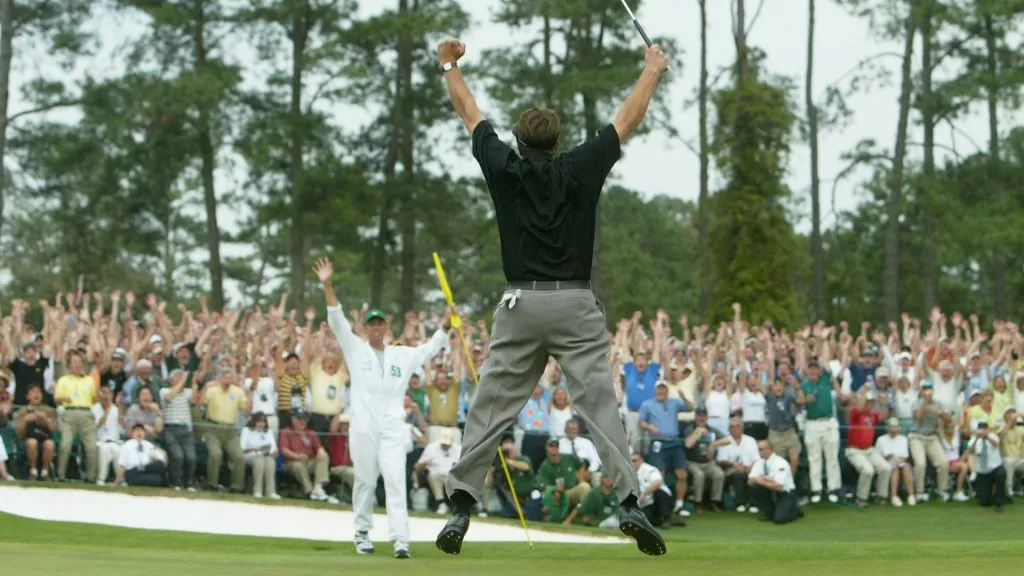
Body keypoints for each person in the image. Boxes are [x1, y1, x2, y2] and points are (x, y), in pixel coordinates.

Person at [432, 35, 671, 558]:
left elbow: (467, 108)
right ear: (558, 141)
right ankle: (630, 500)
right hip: (574, 305)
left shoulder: (503, 165)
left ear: (517, 140)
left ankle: (462, 505)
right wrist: (652, 68)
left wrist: (449, 61)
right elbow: (625, 120)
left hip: (520, 304)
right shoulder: (580, 167)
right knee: (600, 406)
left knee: (492, 406)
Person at [315, 257, 451, 559]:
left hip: (392, 425)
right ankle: (362, 534)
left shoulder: (401, 355)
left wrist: (445, 326)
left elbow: (430, 349)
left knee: (395, 479)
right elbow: (336, 318)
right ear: (366, 328)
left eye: (380, 324)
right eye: (372, 324)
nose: (376, 328)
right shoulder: (355, 349)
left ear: (386, 327)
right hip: (363, 425)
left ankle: (400, 539)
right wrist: (327, 283)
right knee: (364, 480)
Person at [747, 440, 802, 524]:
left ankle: (795, 510)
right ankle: (769, 512)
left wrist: (761, 480)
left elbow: (778, 486)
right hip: (770, 490)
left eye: (761, 449)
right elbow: (750, 481)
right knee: (754, 488)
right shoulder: (759, 462)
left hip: (785, 493)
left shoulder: (780, 463)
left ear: (769, 449)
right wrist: (765, 479)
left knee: (780, 519)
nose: (759, 452)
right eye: (758, 449)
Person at [967, 421, 1007, 512]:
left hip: (995, 467)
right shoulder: (973, 440)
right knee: (984, 502)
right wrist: (977, 438)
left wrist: (987, 437)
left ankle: (999, 502)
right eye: (981, 429)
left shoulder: (993, 437)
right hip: (982, 471)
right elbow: (970, 451)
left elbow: (996, 444)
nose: (983, 431)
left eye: (984, 428)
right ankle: (991, 497)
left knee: (1001, 474)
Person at [240, 412, 280, 500]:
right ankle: (257, 490)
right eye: (259, 422)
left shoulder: (268, 432)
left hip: (265, 455)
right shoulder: (246, 430)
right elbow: (242, 449)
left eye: (263, 422)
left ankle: (271, 492)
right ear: (254, 421)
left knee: (270, 462)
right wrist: (254, 449)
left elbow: (274, 448)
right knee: (259, 461)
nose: (261, 424)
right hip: (250, 455)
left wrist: (274, 453)